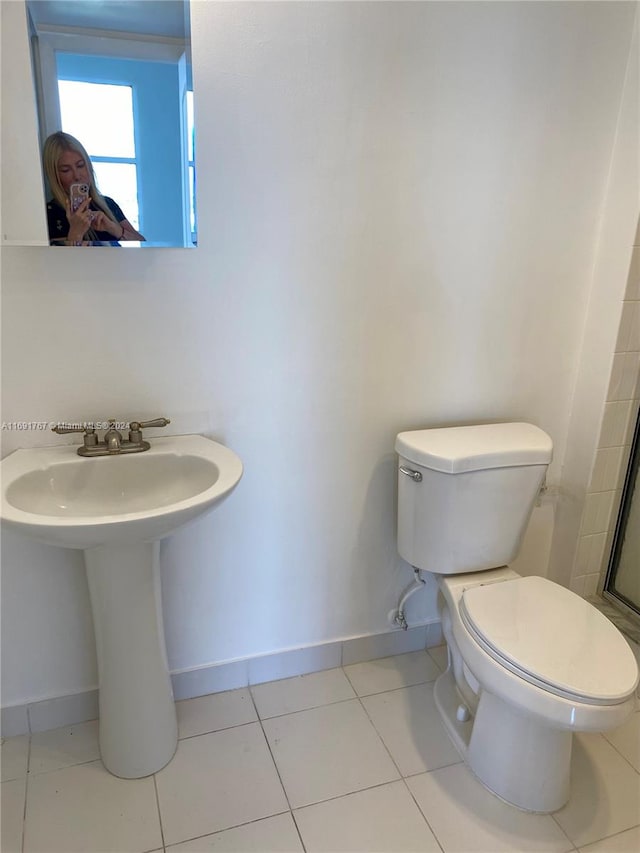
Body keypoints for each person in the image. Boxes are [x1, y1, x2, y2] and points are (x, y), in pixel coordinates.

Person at [42, 131, 145, 246]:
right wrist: (75, 233)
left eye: (81, 165)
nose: (77, 176)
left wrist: (114, 229)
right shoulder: (49, 214)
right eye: (66, 170)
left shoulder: (107, 204)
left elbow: (146, 250)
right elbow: (58, 262)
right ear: (55, 176)